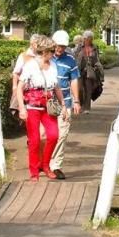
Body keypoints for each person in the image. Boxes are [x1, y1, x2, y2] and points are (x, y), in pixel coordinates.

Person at [15, 35, 65, 181]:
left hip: (48, 105)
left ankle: (45, 165)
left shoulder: (53, 65)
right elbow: (19, 88)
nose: (53, 54)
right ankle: (34, 171)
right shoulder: (30, 65)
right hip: (32, 106)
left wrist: (63, 105)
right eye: (51, 51)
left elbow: (56, 87)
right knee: (35, 139)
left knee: (54, 135)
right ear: (44, 52)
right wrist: (22, 108)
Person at [49, 30, 82, 180]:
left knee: (62, 134)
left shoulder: (70, 60)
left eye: (62, 46)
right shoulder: (46, 57)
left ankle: (55, 165)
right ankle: (44, 162)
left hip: (65, 102)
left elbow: (74, 80)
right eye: (57, 46)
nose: (59, 49)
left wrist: (76, 100)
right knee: (47, 134)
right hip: (47, 102)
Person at [10, 34, 41, 122]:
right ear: (32, 44)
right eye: (37, 43)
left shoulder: (41, 56)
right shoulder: (23, 56)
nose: (39, 45)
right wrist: (15, 86)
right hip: (26, 90)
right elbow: (16, 73)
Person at [75, 30, 104, 113]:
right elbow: (75, 57)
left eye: (90, 38)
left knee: (88, 89)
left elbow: (97, 59)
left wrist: (98, 69)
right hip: (79, 70)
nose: (88, 40)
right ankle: (80, 104)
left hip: (90, 70)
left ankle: (87, 108)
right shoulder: (79, 47)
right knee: (79, 89)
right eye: (87, 38)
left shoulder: (95, 47)